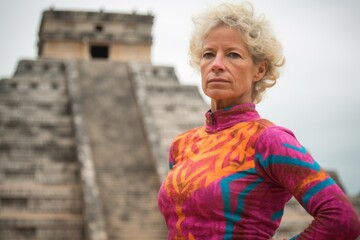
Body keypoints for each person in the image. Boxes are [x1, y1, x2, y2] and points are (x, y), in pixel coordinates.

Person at [158, 2, 360, 240]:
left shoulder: (269, 140)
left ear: (259, 70)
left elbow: (342, 218)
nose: (217, 65)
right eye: (208, 54)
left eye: (233, 54)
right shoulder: (183, 144)